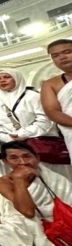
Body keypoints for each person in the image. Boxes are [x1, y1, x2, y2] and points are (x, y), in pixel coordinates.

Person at [0, 141, 72, 246]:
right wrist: (19, 180)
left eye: (27, 156)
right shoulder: (3, 182)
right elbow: (27, 212)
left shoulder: (54, 178)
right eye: (14, 158)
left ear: (37, 158)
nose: (22, 162)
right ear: (5, 162)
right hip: (38, 228)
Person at [0, 68, 68, 179]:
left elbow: (45, 120)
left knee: (57, 178)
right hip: (15, 149)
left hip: (41, 146)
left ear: (17, 78)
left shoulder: (32, 96)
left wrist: (23, 134)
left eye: (7, 77)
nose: (2, 80)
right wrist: (5, 137)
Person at [40, 39, 72, 179]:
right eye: (55, 55)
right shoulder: (50, 84)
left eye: (67, 52)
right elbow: (52, 112)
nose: (62, 57)